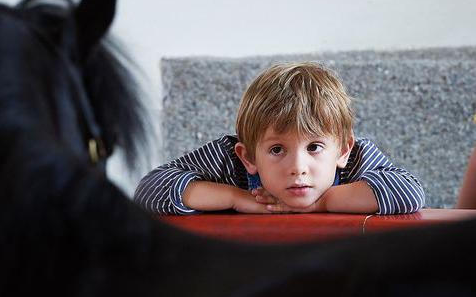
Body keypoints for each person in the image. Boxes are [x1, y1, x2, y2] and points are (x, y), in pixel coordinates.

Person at [134, 62, 424, 215]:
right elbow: (149, 191)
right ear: (248, 157)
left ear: (342, 150)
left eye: (314, 147)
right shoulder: (229, 162)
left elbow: (410, 192)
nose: (298, 167)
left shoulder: (356, 160)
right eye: (276, 149)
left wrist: (322, 204)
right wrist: (236, 197)